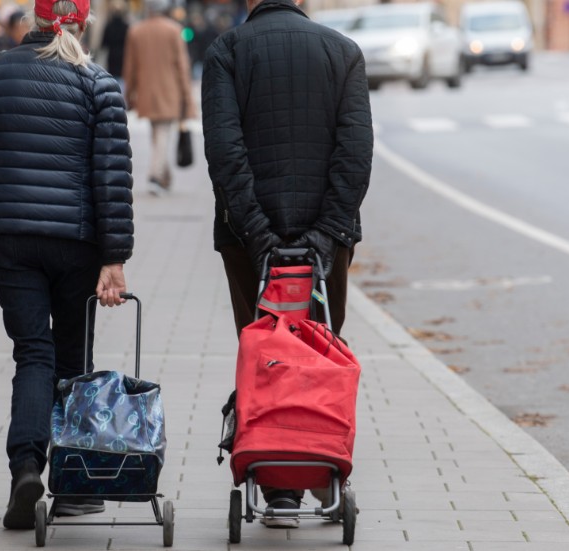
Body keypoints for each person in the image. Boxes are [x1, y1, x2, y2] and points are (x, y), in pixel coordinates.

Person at [0, 0, 133, 528]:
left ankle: (25, 469)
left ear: (31, 22)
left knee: (33, 354)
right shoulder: (99, 84)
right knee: (72, 358)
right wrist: (114, 258)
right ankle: (71, 489)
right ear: (85, 23)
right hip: (77, 242)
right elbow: (112, 181)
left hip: (8, 237)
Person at [201, 0, 373, 528]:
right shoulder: (343, 52)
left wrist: (256, 233)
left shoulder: (227, 51)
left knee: (265, 351)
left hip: (247, 240)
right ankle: (320, 468)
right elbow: (355, 150)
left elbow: (224, 150)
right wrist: (329, 234)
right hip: (327, 241)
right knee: (320, 348)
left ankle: (278, 485)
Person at [122, 0, 196, 196]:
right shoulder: (174, 30)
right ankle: (155, 176)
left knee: (157, 132)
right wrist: (187, 98)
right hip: (169, 91)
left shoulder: (136, 31)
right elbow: (182, 67)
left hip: (146, 92)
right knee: (162, 132)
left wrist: (128, 95)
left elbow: (130, 68)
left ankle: (164, 176)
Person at [99, 0, 129, 80]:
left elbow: (103, 44)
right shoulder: (126, 27)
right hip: (123, 58)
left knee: (112, 79)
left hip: (111, 58)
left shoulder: (108, 26)